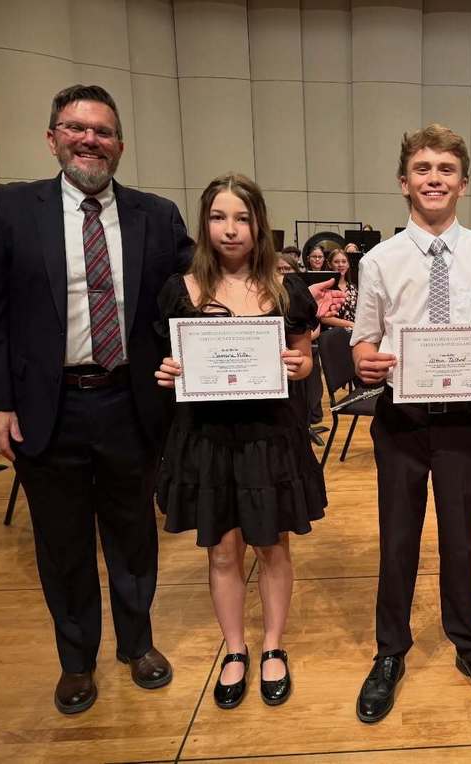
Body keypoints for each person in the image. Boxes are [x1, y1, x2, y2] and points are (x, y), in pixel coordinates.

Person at [0, 84, 193, 714]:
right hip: (47, 407)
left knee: (133, 534)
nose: (90, 140)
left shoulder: (157, 214)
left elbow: (193, 303)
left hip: (130, 402)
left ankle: (137, 644)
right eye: (76, 128)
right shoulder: (11, 208)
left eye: (103, 131)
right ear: (52, 137)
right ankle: (76, 660)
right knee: (61, 542)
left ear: (119, 144)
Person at [350, 124, 471, 723]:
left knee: (462, 540)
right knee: (397, 541)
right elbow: (363, 340)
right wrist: (363, 362)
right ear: (404, 182)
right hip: (401, 417)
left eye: (446, 170)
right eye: (423, 169)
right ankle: (390, 652)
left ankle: (470, 646)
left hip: (463, 419)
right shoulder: (378, 261)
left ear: (463, 183)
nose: (434, 179)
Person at [154, 173, 326, 710]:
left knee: (272, 546)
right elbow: (171, 366)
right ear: (205, 224)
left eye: (243, 218)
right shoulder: (179, 290)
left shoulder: (285, 287)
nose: (231, 230)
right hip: (205, 438)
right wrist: (169, 371)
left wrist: (300, 366)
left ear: (259, 225)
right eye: (219, 217)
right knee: (222, 551)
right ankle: (235, 649)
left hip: (267, 436)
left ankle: (273, 645)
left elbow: (304, 363)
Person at [320, 247, 357, 329]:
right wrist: (350, 324)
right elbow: (323, 318)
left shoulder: (353, 287)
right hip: (331, 333)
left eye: (344, 262)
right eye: (336, 262)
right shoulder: (325, 287)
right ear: (330, 264)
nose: (340, 265)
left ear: (348, 265)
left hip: (352, 332)